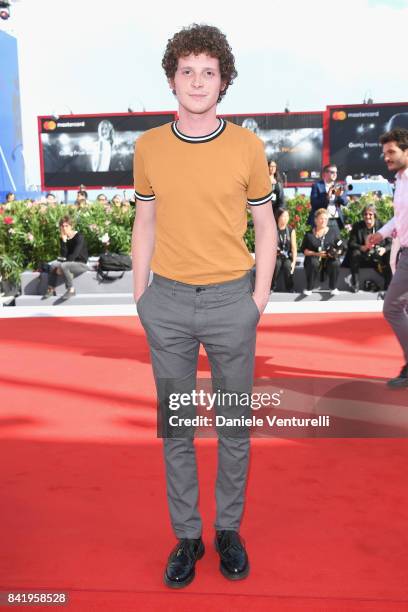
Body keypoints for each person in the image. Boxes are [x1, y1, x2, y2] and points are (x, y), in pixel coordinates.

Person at [132, 24, 276, 589]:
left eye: (208, 72)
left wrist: (257, 301)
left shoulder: (247, 146)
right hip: (164, 302)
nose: (197, 81)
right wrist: (140, 295)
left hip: (230, 303)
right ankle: (187, 537)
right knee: (177, 428)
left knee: (234, 426)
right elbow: (144, 220)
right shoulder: (148, 146)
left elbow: (265, 226)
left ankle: (228, 531)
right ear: (172, 78)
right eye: (187, 70)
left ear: (223, 82)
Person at [367, 128, 408, 388]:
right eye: (385, 153)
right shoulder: (401, 180)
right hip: (403, 251)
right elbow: (400, 217)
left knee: (392, 308)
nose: (387, 157)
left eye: (391, 152)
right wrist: (380, 234)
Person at [345, 204, 392, 293]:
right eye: (365, 214)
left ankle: (388, 284)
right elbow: (351, 243)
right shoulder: (357, 226)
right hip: (363, 255)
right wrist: (361, 247)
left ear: (375, 215)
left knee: (389, 253)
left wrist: (384, 249)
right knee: (355, 253)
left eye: (370, 214)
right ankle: (355, 284)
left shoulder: (382, 225)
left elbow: (390, 242)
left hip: (378, 254)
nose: (367, 216)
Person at [43, 216, 88, 301]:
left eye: (66, 226)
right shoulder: (63, 237)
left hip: (81, 264)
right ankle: (51, 289)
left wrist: (61, 267)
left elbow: (74, 254)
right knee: (53, 265)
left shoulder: (79, 237)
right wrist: (64, 241)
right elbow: (64, 255)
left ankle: (71, 290)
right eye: (62, 226)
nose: (64, 228)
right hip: (69, 263)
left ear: (71, 226)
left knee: (64, 266)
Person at [302, 208, 342, 295]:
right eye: (321, 218)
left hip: (328, 260)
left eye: (325, 219)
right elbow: (304, 250)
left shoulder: (333, 232)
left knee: (336, 263)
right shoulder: (309, 234)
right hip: (314, 260)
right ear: (316, 220)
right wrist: (317, 254)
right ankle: (309, 288)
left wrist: (335, 252)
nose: (323, 221)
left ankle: (333, 287)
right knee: (313, 262)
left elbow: (340, 246)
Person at [308, 164, 348, 235]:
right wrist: (327, 197)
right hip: (322, 220)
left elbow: (345, 202)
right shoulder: (317, 186)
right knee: (321, 242)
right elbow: (314, 203)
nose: (335, 174)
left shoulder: (339, 186)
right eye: (332, 172)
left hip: (335, 220)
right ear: (325, 173)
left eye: (336, 172)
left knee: (336, 243)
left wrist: (340, 195)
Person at [272, 207, 296, 292]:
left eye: (287, 216)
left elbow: (294, 248)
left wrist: (294, 262)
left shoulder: (290, 230)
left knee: (287, 265)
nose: (285, 219)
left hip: (286, 256)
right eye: (283, 216)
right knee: (276, 264)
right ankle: (272, 287)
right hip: (275, 256)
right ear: (278, 217)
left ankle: (290, 288)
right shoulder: (272, 229)